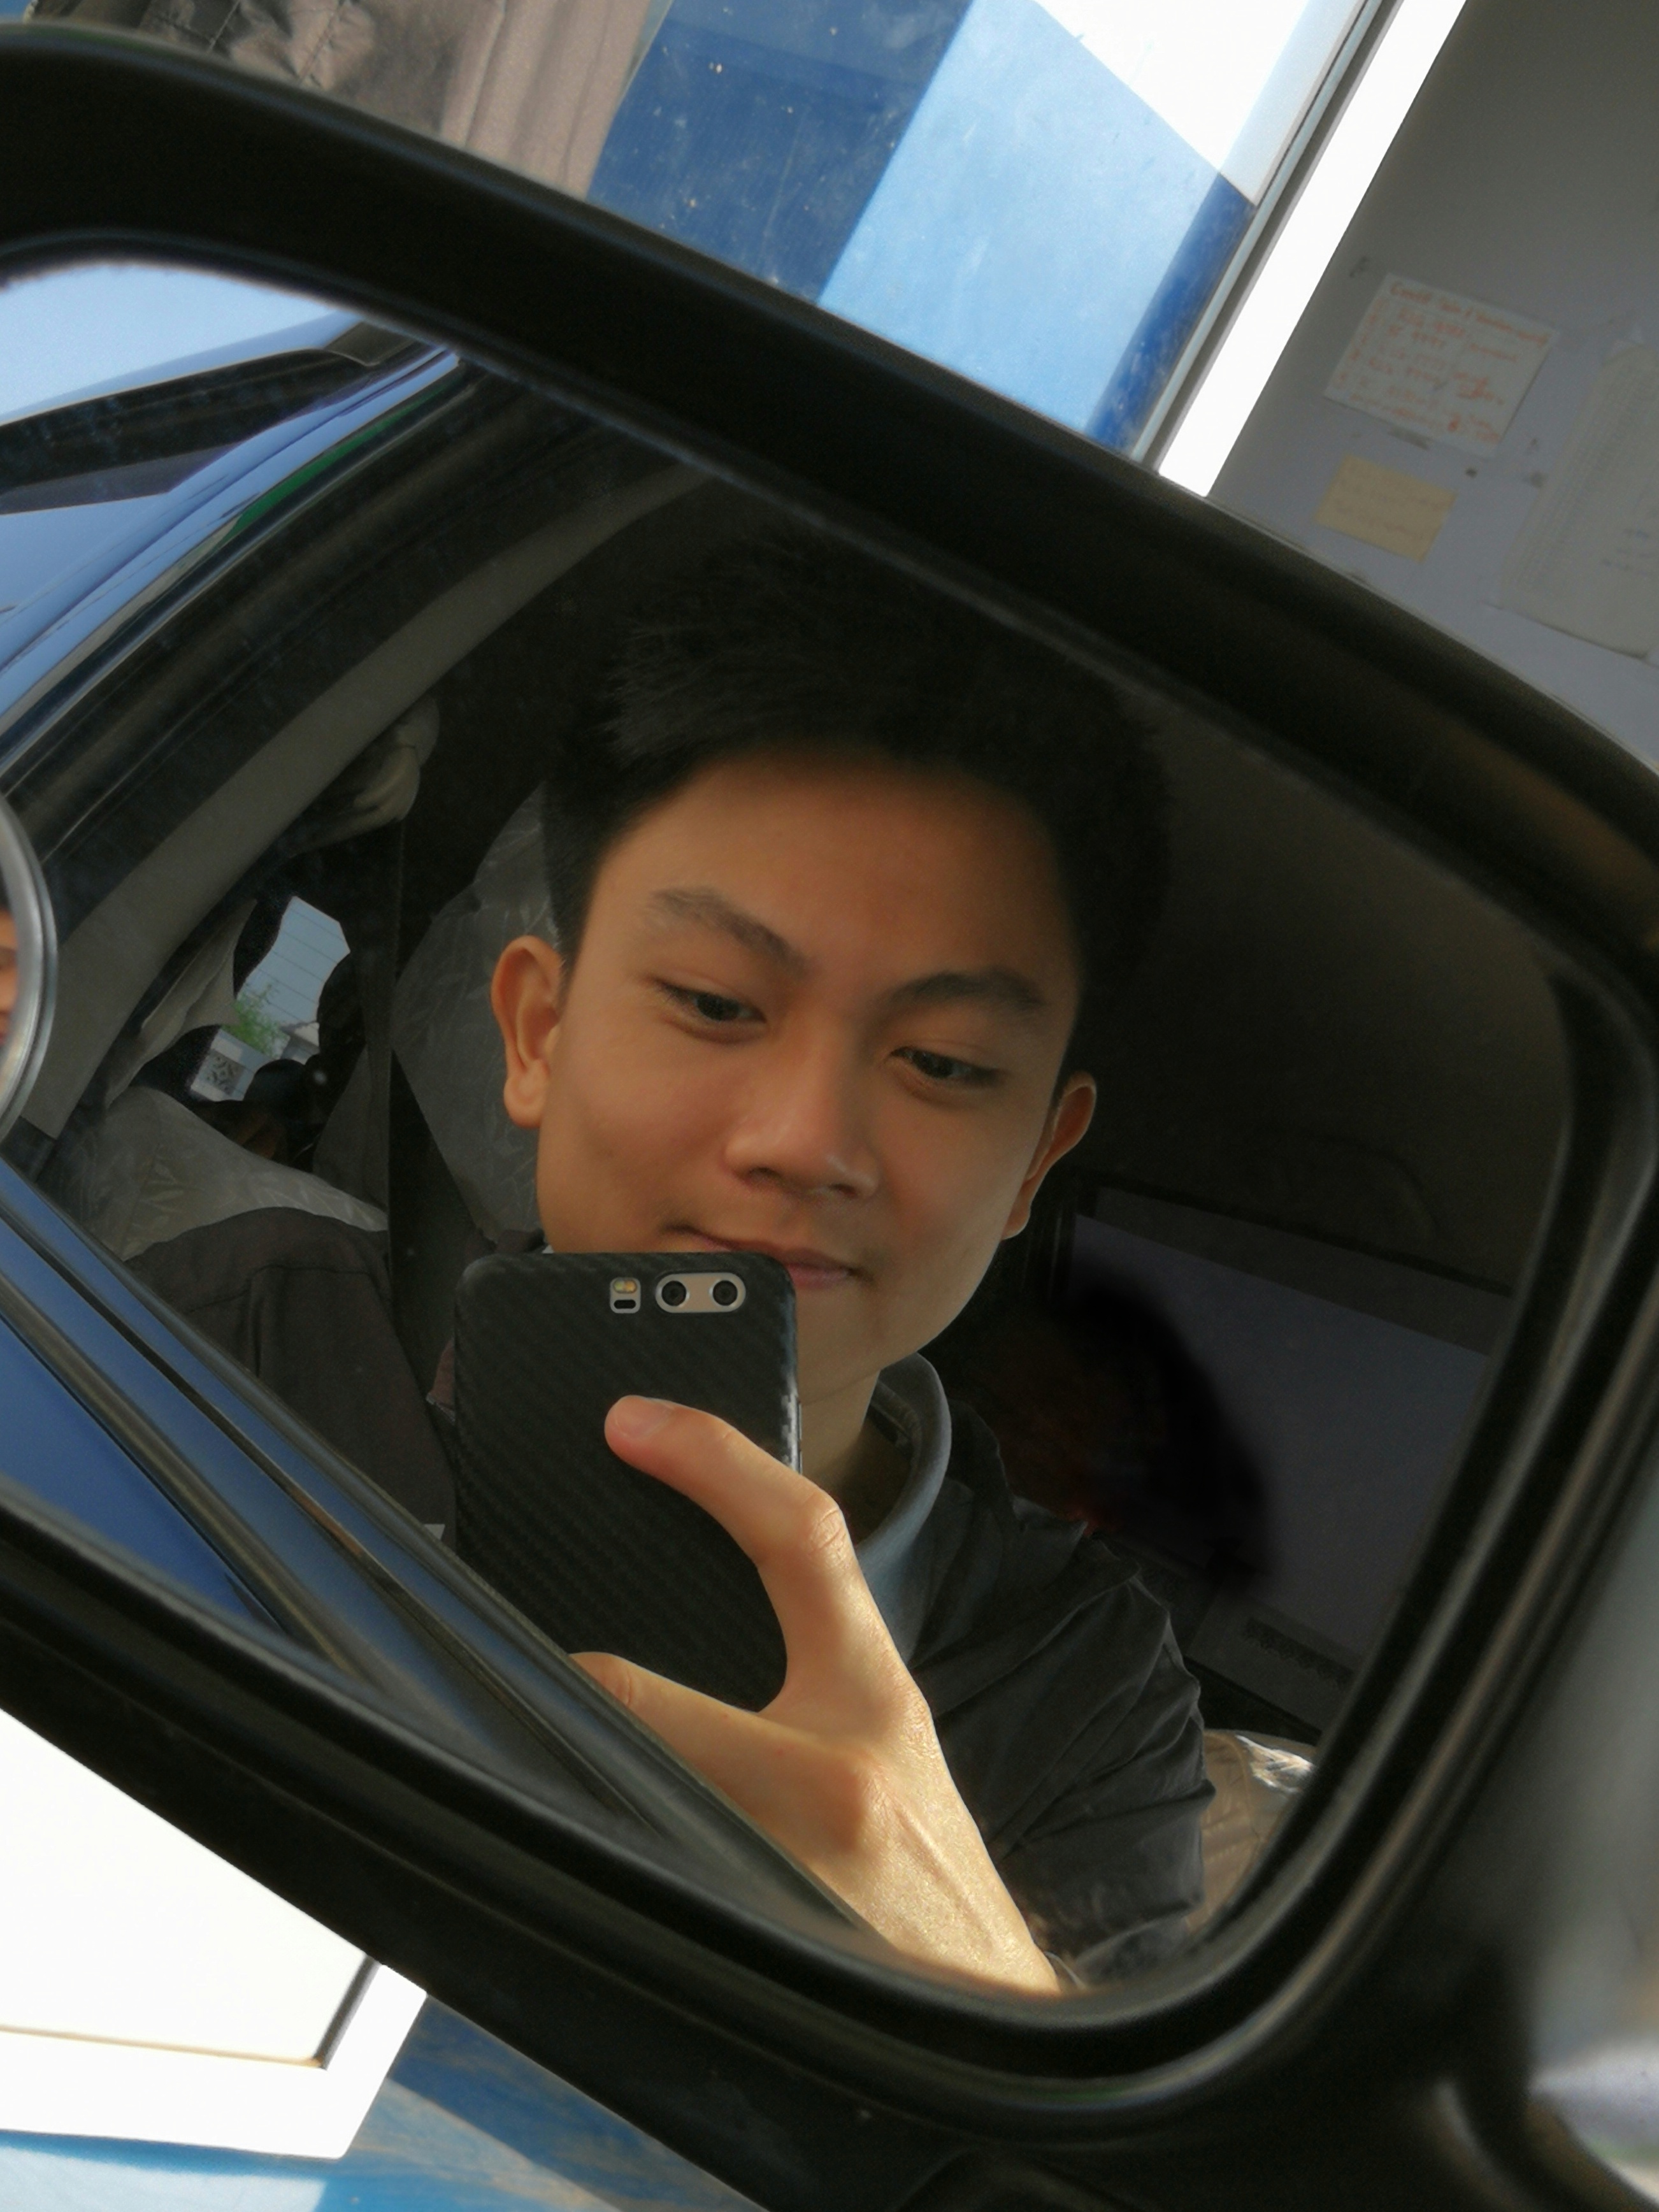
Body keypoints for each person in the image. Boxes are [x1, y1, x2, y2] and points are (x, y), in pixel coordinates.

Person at [481, 531, 1211, 1994]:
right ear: (537, 1033)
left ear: (1038, 1160)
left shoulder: (1083, 1682)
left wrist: (963, 1959)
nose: (809, 1140)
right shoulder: (244, 1338)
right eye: (716, 1001)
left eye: (944, 1060)